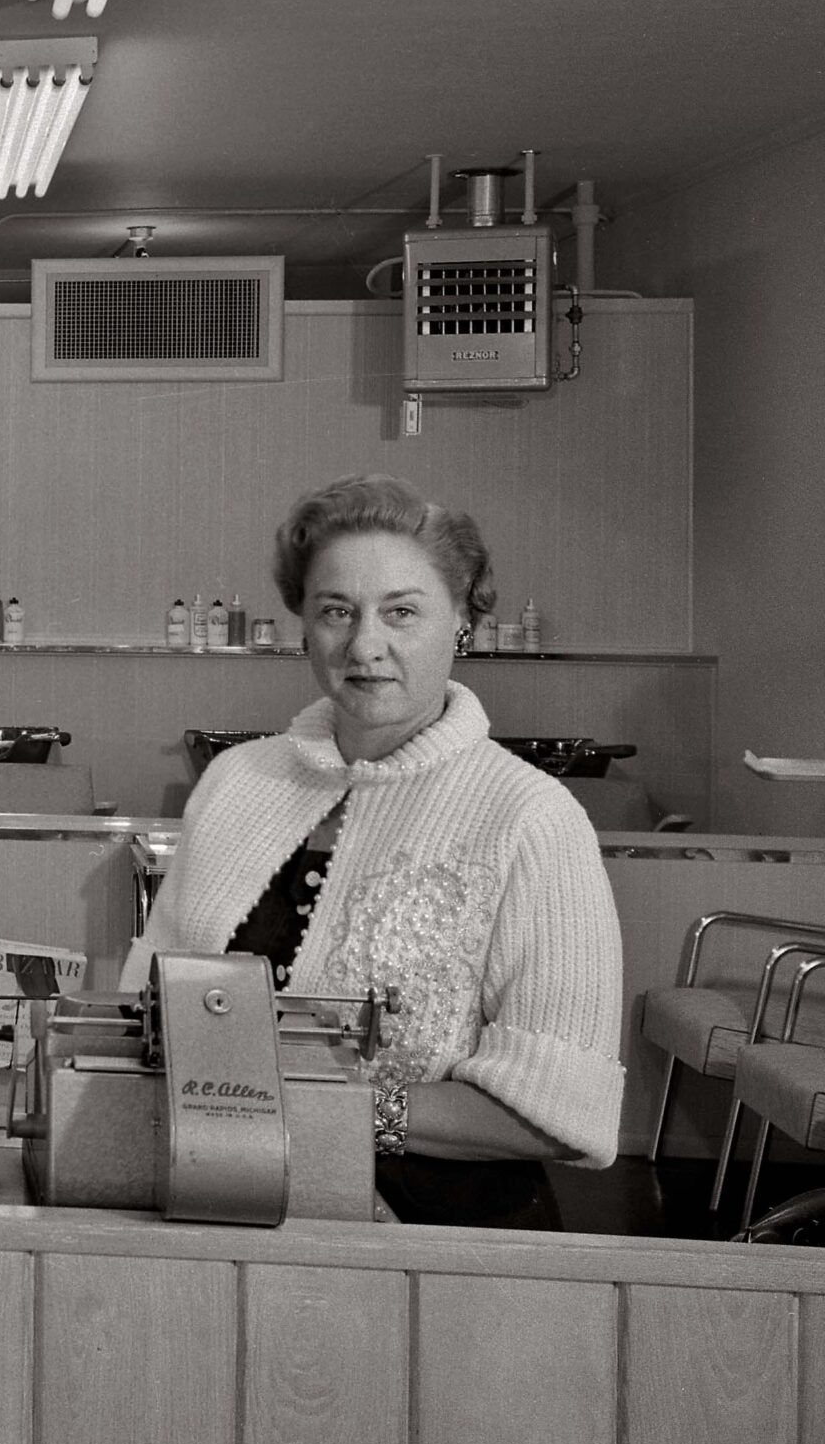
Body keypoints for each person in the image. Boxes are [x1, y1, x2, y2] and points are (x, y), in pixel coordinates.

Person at [124, 473, 623, 1227]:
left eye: (402, 612)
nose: (365, 646)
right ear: (303, 625)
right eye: (336, 611)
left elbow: (558, 1113)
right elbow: (147, 1012)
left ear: (463, 620)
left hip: (438, 1239)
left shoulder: (531, 819)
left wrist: (352, 1120)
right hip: (221, 1195)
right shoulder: (236, 782)